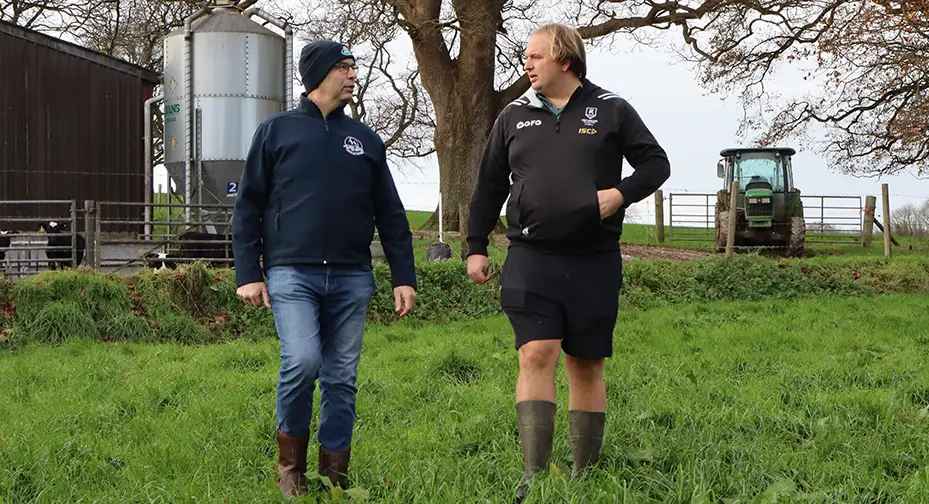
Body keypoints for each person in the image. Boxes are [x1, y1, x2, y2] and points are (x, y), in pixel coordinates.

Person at [465, 23, 670, 500]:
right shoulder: (513, 117)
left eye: (535, 57)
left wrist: (619, 195)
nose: (526, 65)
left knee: (586, 363)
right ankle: (534, 473)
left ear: (564, 59)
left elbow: (656, 164)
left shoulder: (612, 109)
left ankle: (585, 474)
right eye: (525, 57)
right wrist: (475, 244)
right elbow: (490, 186)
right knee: (536, 353)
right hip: (531, 255)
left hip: (594, 258)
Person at [231, 39, 418, 497]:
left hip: (353, 277)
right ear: (318, 75)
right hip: (291, 273)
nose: (353, 75)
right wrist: (247, 274)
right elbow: (248, 206)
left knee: (341, 378)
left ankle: (335, 475)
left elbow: (391, 214)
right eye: (344, 67)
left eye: (354, 67)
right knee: (302, 360)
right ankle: (290, 470)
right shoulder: (276, 132)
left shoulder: (367, 141)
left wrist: (404, 277)